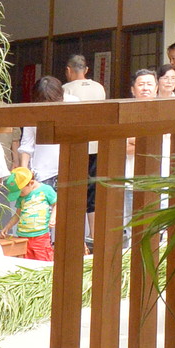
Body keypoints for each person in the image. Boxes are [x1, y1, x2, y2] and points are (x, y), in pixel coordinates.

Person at [61, 54, 107, 250]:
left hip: (77, 146)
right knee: (93, 193)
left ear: (69, 70)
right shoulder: (99, 88)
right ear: (86, 70)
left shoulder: (65, 90)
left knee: (73, 190)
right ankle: (95, 237)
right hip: (97, 145)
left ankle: (76, 238)